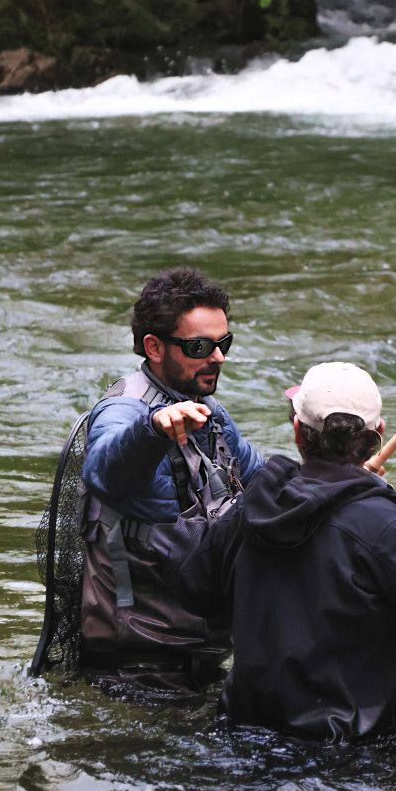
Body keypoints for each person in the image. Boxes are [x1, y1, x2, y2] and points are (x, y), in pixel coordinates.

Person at [164, 361, 396, 740]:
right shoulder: (384, 528)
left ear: (298, 433)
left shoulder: (252, 507)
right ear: (378, 434)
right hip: (354, 761)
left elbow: (194, 591)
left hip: (245, 738)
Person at [79, 266, 264, 690]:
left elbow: (266, 485)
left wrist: (335, 478)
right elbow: (105, 471)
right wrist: (154, 431)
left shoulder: (209, 412)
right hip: (136, 672)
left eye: (224, 344)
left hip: (200, 655)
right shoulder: (124, 411)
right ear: (154, 347)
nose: (218, 358)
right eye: (200, 346)